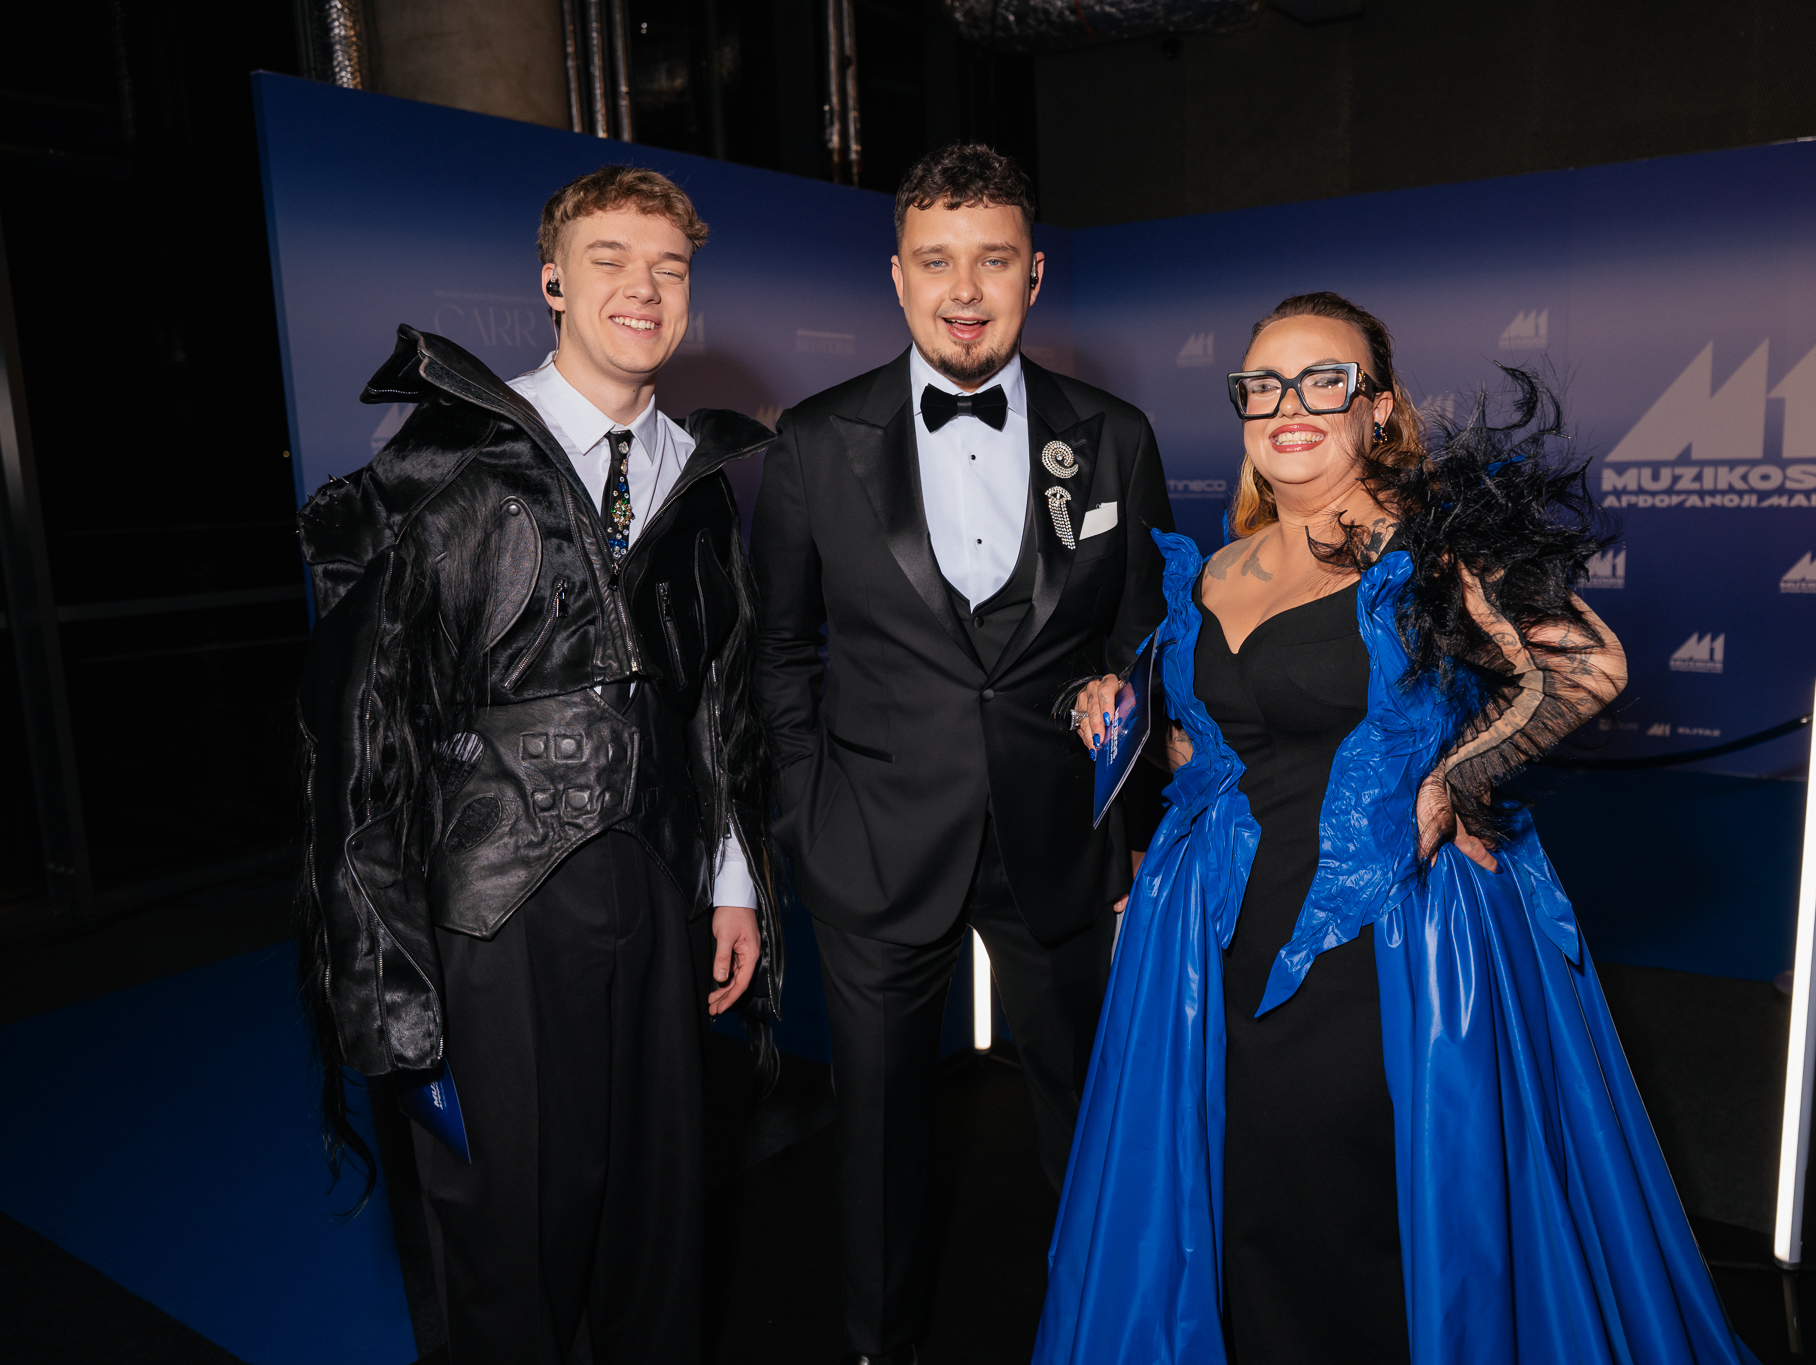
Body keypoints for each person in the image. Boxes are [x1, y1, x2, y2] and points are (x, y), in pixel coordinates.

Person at [1033, 292, 1763, 1365]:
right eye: (1262, 386)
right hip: (1212, 937)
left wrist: (1455, 782)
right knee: (1240, 1194)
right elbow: (1203, 746)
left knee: (1362, 1194)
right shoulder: (1220, 566)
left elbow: (1588, 667)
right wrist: (1122, 717)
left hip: (1385, 934)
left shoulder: (1432, 545)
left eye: (1321, 381)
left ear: (1376, 407)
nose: (1288, 405)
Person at [296, 165, 778, 1365]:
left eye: (668, 267)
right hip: (487, 907)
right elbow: (359, 742)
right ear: (552, 282)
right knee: (504, 1233)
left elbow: (715, 700)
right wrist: (385, 984)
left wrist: (729, 882)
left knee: (656, 1218)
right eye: (609, 260)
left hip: (656, 888)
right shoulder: (445, 462)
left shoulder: (699, 478)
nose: (642, 289)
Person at [752, 143, 1173, 1365]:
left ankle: (1105, 1333)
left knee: (1089, 1122)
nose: (964, 291)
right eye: (935, 262)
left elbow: (1144, 636)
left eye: (992, 261)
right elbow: (777, 649)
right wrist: (808, 817)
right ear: (896, 276)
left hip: (1061, 839)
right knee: (877, 1140)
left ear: (1033, 274)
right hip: (875, 843)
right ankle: (877, 1345)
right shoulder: (815, 439)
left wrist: (1129, 820)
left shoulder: (1114, 434)